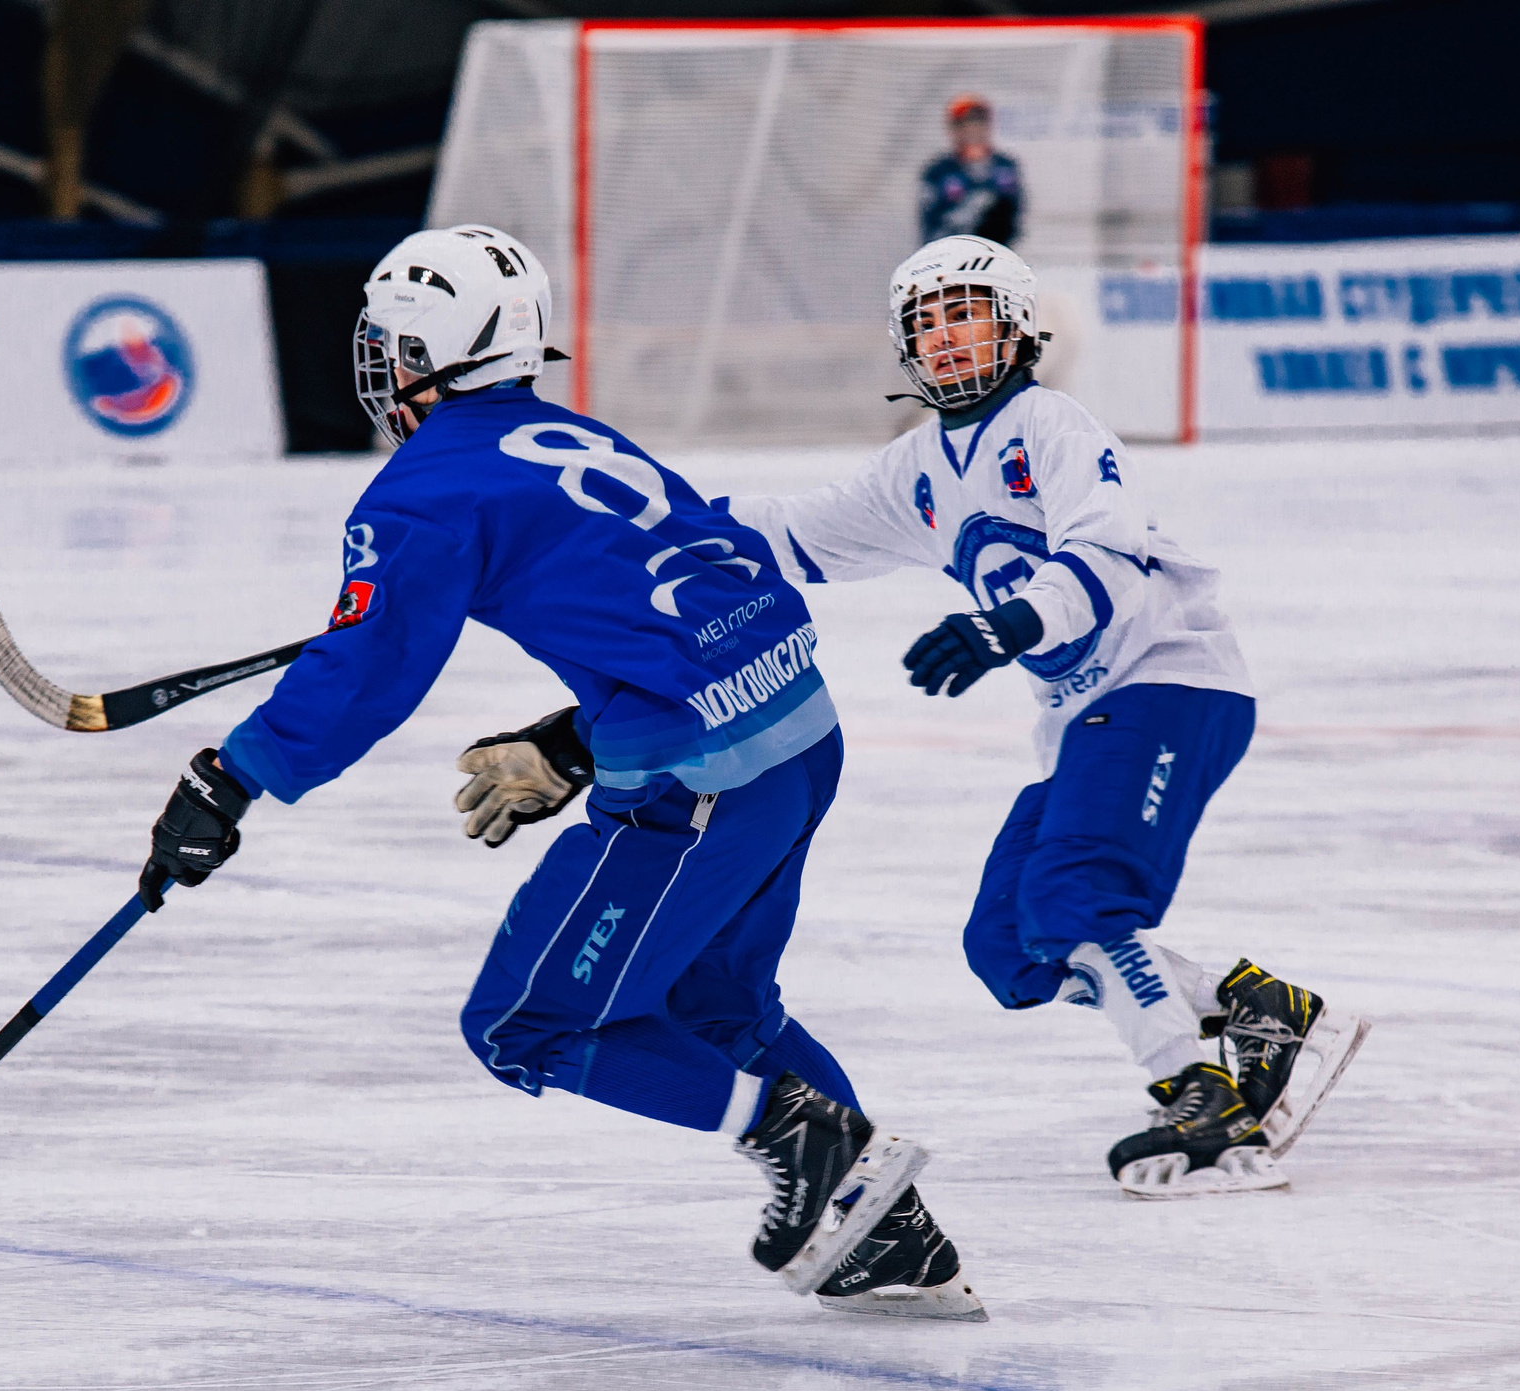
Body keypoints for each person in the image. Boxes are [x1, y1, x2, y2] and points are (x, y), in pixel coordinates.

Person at [135, 223, 985, 1318]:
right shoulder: (577, 434)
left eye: (392, 346)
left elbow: (368, 670)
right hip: (799, 735)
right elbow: (695, 588)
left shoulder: (419, 494)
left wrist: (232, 776)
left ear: (419, 356)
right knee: (713, 1002)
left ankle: (810, 1148)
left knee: (529, 1025)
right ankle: (885, 1233)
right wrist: (574, 737)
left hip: (701, 776)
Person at [720, 235, 1369, 1199]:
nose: (945, 340)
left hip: (1167, 684)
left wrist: (1007, 624)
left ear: (1019, 328)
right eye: (925, 323)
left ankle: (1197, 1094)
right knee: (1009, 947)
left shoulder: (1051, 425)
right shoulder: (919, 469)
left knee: (1077, 898)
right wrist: (648, 518)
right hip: (1082, 722)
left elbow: (1106, 548)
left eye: (965, 314)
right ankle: (1258, 1007)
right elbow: (797, 531)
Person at [919, 94, 1026, 246]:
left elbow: (1016, 214)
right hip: (951, 253)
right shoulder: (938, 172)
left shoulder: (1005, 167)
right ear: (954, 129)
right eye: (966, 124)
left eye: (979, 123)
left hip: (996, 254)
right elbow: (930, 222)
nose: (973, 129)